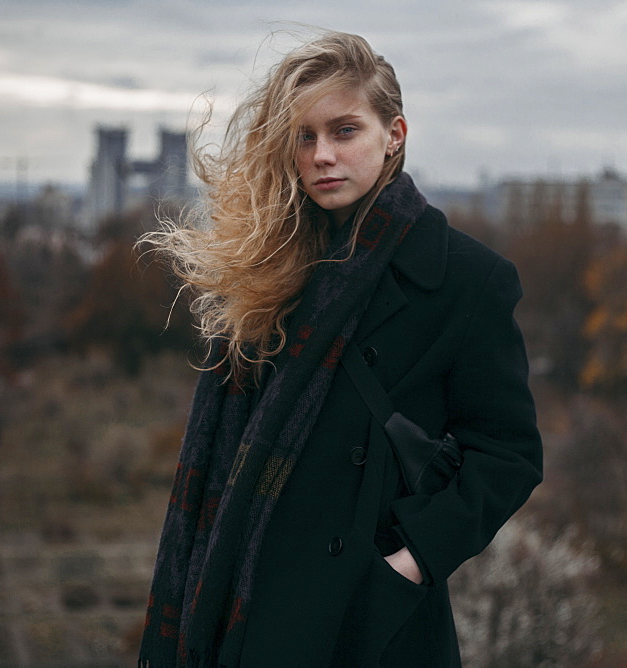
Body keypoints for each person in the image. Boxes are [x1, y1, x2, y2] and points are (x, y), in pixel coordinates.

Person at [138, 30, 542, 667]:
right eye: (304, 136)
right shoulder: (263, 268)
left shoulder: (465, 280)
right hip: (242, 603)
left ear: (395, 135)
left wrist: (409, 563)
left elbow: (509, 454)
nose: (323, 154)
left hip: (365, 623)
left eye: (345, 130)